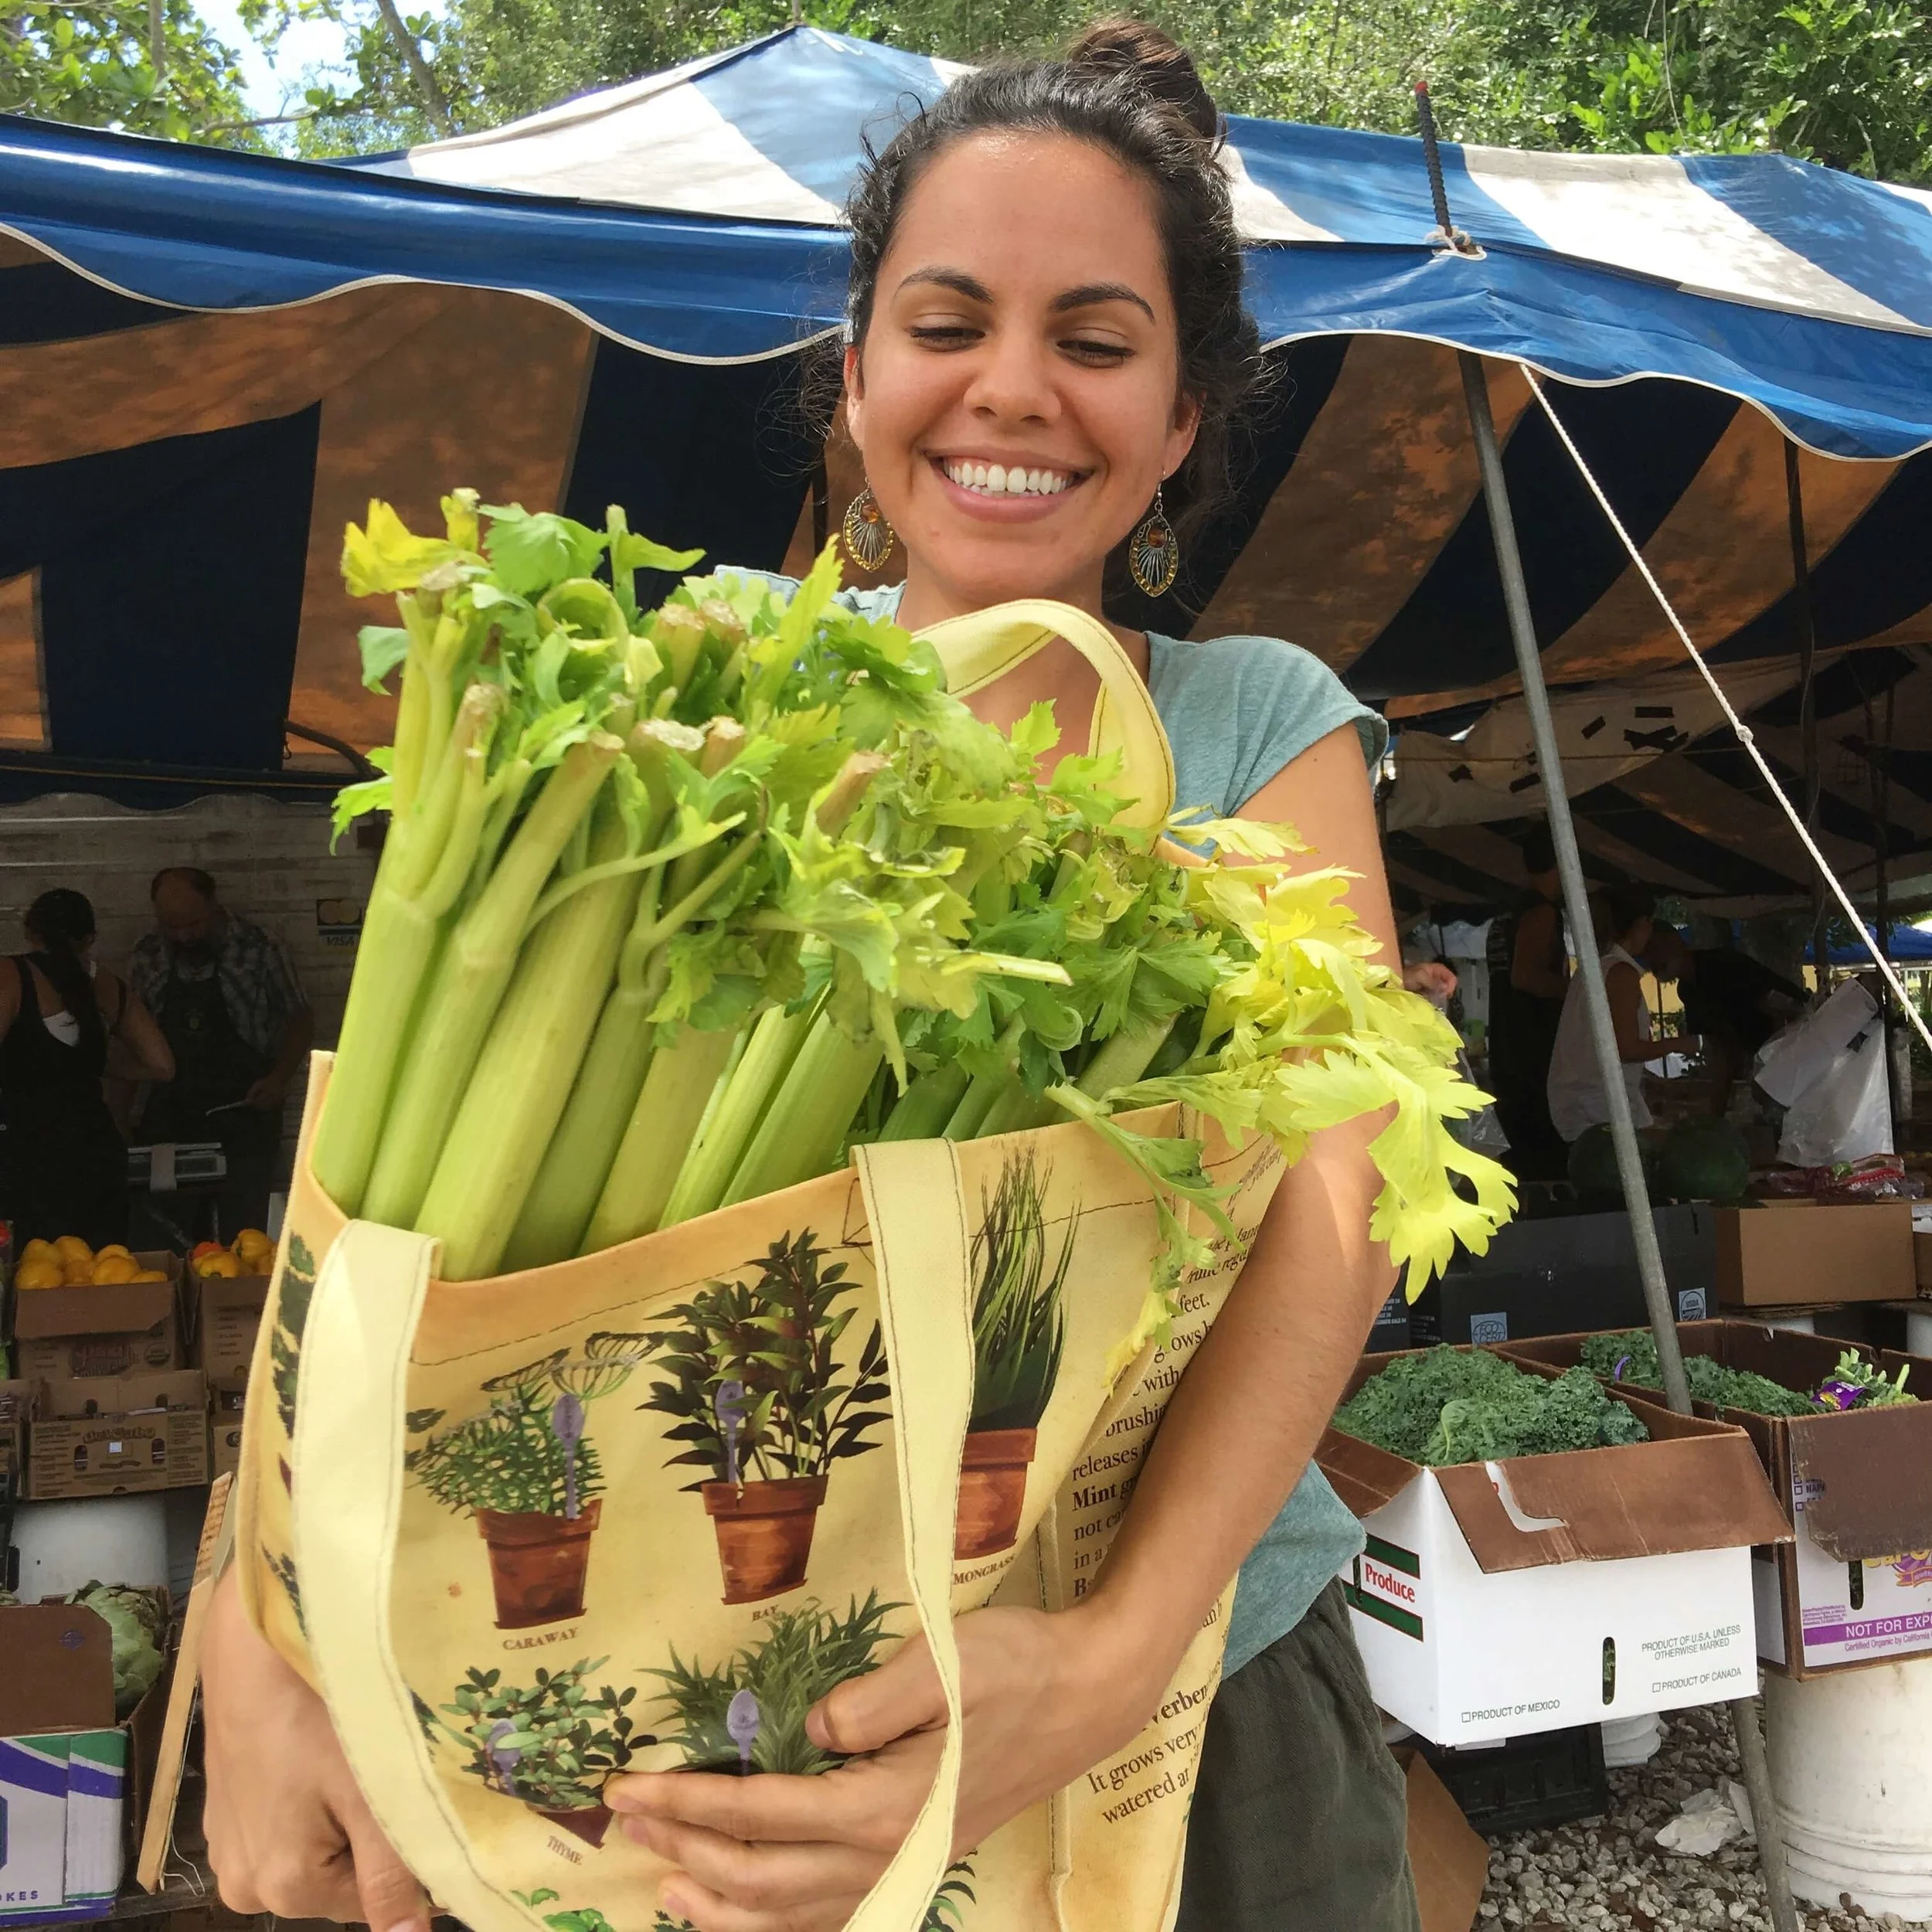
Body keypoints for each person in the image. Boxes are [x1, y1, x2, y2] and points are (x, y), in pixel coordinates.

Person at [198, 26, 1417, 1932]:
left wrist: (1100, 1659)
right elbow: (385, 1183)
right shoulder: (704, 680)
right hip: (692, 1690)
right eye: (948, 321)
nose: (1013, 387)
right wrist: (265, 1621)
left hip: (1191, 1683)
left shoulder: (1250, 725)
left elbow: (1339, 1211)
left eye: (1096, 342)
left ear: (1182, 418)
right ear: (853, 379)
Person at [128, 868, 312, 1236]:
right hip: (172, 1121)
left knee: (244, 1239)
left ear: (213, 905)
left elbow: (300, 1017)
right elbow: (130, 1040)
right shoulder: (148, 955)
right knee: (167, 1235)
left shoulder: (260, 948)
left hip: (245, 1114)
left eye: (193, 923)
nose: (183, 936)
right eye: (172, 927)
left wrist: (279, 1079)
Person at [0, 889, 173, 1247]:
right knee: (99, 1272)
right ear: (90, 938)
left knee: (33, 1274)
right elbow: (162, 1066)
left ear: (30, 931)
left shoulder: (11, 974)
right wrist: (90, 1061)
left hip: (26, 1152)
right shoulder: (107, 983)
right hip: (96, 1149)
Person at [1546, 883, 1698, 1144]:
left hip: (1583, 1099)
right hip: (1595, 1105)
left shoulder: (1595, 968)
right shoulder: (1620, 972)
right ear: (1641, 923)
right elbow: (1626, 1049)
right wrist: (1682, 1043)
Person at [1643, 926, 1804, 1117]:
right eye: (1647, 954)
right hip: (1765, 1063)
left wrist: (1773, 1068)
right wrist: (1716, 1112)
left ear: (1677, 943)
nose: (1652, 961)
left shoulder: (1722, 965)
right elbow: (1718, 1049)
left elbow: (1782, 1007)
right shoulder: (1687, 990)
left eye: (1656, 949)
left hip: (1797, 1049)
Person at [1483, 825, 1570, 1177]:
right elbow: (1525, 975)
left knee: (1522, 1167)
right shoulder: (1541, 912)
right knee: (1545, 1165)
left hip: (1508, 1049)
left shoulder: (1505, 914)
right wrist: (1578, 992)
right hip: (1535, 1055)